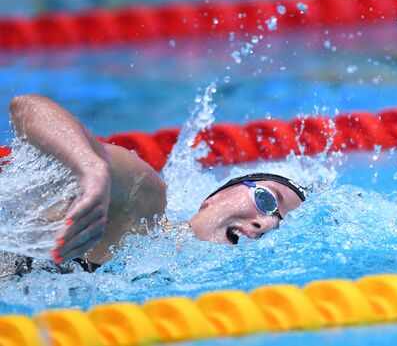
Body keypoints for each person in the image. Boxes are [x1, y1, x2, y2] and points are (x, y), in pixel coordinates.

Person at [6, 94, 306, 272]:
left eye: (280, 226)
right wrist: (92, 169)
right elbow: (26, 107)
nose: (266, 225)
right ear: (215, 196)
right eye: (267, 200)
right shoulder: (144, 202)